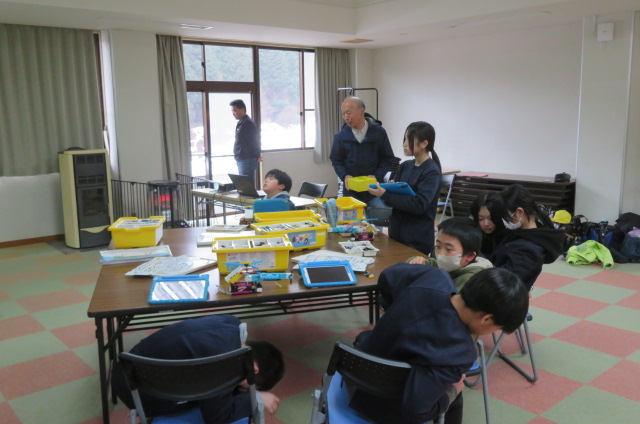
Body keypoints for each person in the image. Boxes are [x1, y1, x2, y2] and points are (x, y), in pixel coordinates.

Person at [352, 263, 529, 424]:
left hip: (353, 371)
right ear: (487, 319)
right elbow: (416, 411)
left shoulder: (434, 277)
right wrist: (452, 393)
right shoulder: (459, 351)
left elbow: (388, 275)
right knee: (455, 393)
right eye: (497, 328)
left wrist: (399, 311)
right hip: (379, 408)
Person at [113, 315, 284, 423]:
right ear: (254, 370)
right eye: (248, 386)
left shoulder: (231, 325)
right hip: (143, 397)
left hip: (130, 371)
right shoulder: (224, 364)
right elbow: (217, 418)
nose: (243, 387)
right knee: (224, 406)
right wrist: (256, 398)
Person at [368, 121, 441, 255]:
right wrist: (390, 189)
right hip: (396, 233)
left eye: (409, 139)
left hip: (416, 238)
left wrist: (386, 194)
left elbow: (419, 205)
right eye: (404, 139)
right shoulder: (405, 166)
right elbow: (395, 201)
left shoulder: (431, 171)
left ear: (424, 144)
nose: (405, 144)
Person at [490, 184, 565, 290]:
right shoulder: (529, 232)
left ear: (519, 212)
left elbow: (506, 282)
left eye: (505, 216)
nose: (504, 221)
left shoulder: (529, 248)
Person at [330, 96, 395, 205]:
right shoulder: (340, 136)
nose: (346, 117)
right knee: (351, 216)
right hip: (351, 191)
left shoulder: (378, 132)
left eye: (348, 113)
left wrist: (377, 176)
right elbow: (336, 160)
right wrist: (344, 175)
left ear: (361, 111)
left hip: (374, 189)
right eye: (343, 114)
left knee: (381, 213)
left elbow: (388, 158)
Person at [404, 216, 493, 291]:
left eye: (448, 249)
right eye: (438, 246)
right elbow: (431, 263)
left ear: (469, 256)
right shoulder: (450, 265)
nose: (440, 253)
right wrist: (416, 261)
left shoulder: (471, 281)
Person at [469, 191, 506, 257]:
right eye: (481, 219)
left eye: (491, 218)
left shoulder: (507, 235)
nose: (486, 224)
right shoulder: (471, 232)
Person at [230, 99, 261, 177]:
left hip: (247, 159)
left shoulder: (247, 123)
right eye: (232, 111)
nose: (233, 114)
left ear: (243, 110)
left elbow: (253, 141)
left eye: (235, 111)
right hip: (242, 159)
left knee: (246, 183)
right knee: (244, 182)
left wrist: (257, 155)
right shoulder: (241, 122)